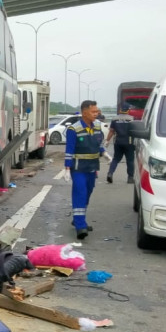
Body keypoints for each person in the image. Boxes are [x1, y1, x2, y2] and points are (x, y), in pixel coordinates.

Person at [63, 100, 105, 240]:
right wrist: (67, 168)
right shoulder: (73, 129)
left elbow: (98, 143)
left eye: (97, 111)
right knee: (80, 193)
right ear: (84, 112)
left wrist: (104, 153)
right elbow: (69, 150)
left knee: (88, 192)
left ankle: (78, 218)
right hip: (78, 168)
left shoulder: (97, 126)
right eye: (93, 111)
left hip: (92, 167)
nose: (96, 114)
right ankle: (80, 226)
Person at [105, 103, 135, 183]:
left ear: (121, 109)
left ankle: (110, 173)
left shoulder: (114, 119)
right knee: (130, 160)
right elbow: (134, 132)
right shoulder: (132, 119)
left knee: (116, 159)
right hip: (129, 142)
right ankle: (130, 178)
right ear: (128, 110)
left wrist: (107, 140)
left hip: (118, 141)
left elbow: (111, 131)